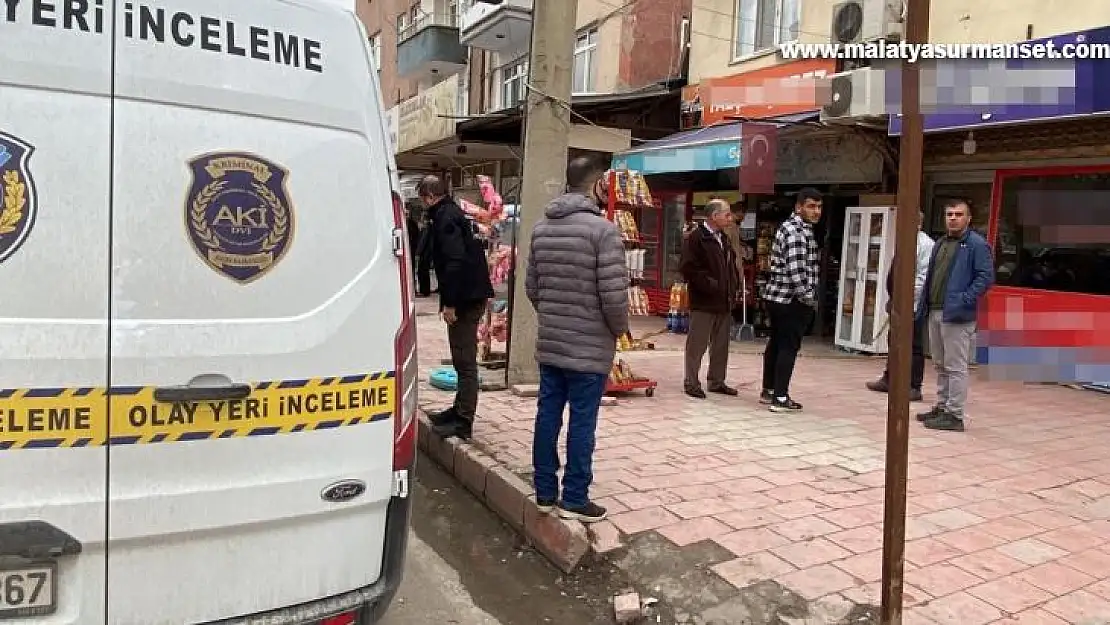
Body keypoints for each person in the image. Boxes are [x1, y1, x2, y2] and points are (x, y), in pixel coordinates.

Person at [525, 156, 628, 523]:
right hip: (589, 346)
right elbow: (614, 296)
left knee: (547, 414)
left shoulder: (541, 228)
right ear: (598, 183)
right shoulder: (603, 231)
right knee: (583, 420)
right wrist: (618, 329)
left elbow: (532, 289)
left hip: (552, 343)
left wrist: (555, 315)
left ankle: (544, 492)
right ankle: (575, 498)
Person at [420, 175, 495, 440]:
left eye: (422, 198)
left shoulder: (446, 218)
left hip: (465, 298)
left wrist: (450, 303)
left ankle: (463, 420)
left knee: (465, 363)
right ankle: (457, 410)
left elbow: (453, 263)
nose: (422, 203)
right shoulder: (448, 213)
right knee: (460, 359)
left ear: (430, 195)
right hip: (467, 294)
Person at [916, 199, 994, 432]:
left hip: (958, 315)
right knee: (940, 363)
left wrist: (964, 299)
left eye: (958, 214)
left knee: (956, 366)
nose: (953, 218)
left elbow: (985, 277)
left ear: (968, 219)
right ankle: (942, 406)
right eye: (949, 214)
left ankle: (955, 414)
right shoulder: (941, 242)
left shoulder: (976, 245)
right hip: (936, 310)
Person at [761, 188, 822, 413]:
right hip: (790, 300)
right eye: (811, 206)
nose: (816, 211)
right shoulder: (797, 231)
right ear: (798, 207)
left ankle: (769, 390)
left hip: (777, 297)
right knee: (788, 346)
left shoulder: (794, 227)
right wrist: (807, 297)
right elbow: (797, 270)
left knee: (776, 343)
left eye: (819, 207)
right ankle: (780, 397)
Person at [866, 210, 935, 401]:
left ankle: (913, 386)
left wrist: (906, 299)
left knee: (913, 345)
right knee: (894, 341)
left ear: (918, 224)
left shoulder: (925, 245)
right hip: (897, 301)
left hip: (913, 304)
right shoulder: (904, 241)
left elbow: (922, 278)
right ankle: (890, 378)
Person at [680, 199, 740, 398]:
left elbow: (730, 265)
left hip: (724, 300)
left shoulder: (724, 237)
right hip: (704, 301)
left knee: (721, 344)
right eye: (727, 214)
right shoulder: (697, 238)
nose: (730, 218)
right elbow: (688, 268)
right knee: (697, 344)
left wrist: (735, 287)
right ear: (714, 216)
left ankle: (716, 380)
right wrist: (710, 284)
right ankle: (691, 381)